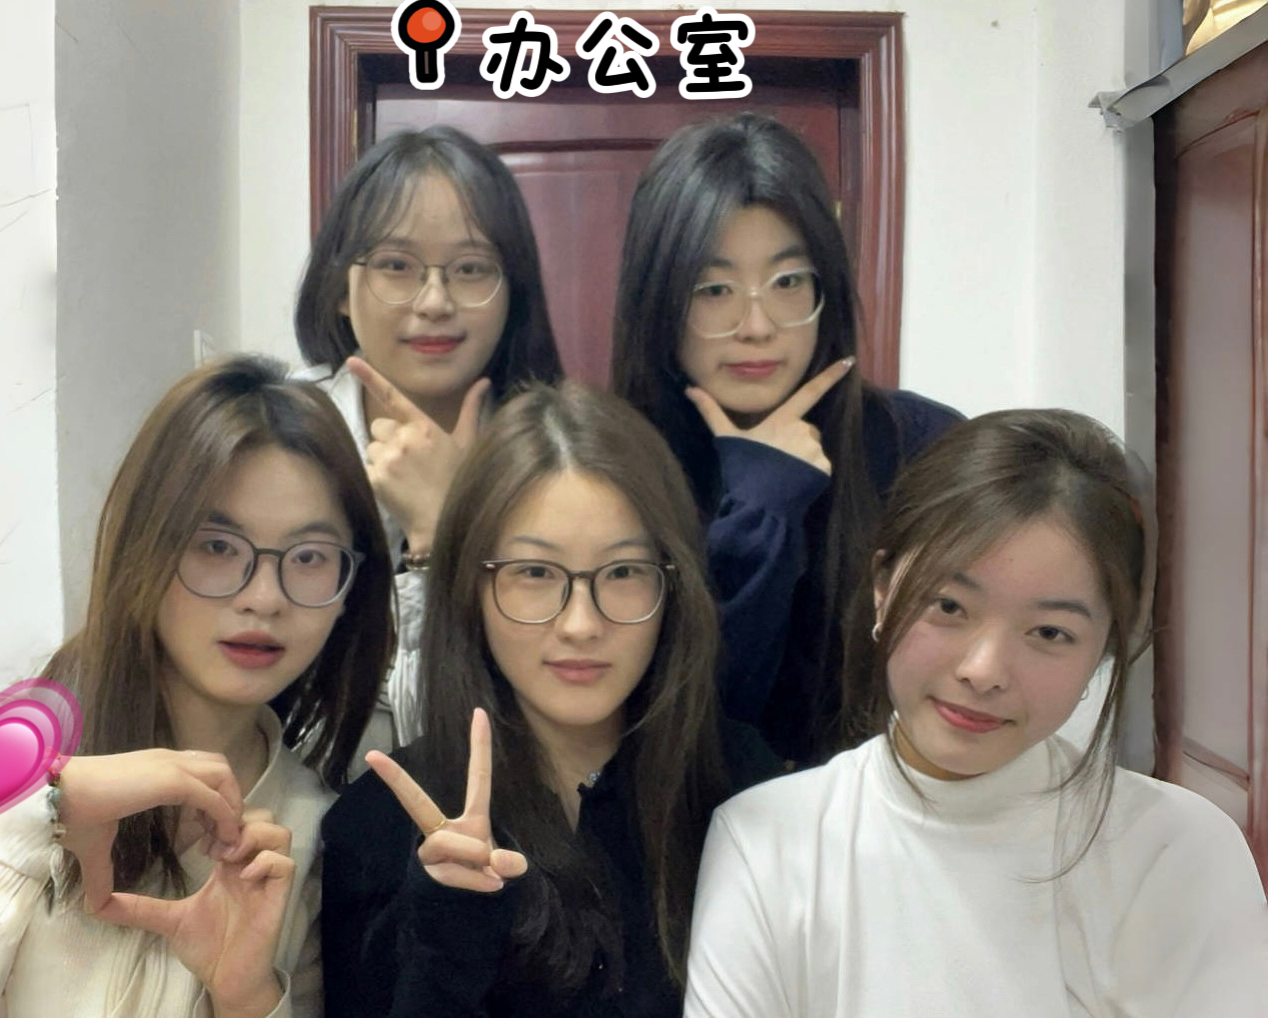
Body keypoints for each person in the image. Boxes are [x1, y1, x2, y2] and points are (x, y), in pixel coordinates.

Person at [683, 409, 1268, 1017]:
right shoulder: (767, 842)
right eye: (948, 606)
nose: (984, 670)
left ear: (1104, 649)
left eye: (1049, 632)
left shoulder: (1174, 851)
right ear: (883, 587)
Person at [0, 356, 394, 1017]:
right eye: (217, 546)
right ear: (147, 546)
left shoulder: (311, 833)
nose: (263, 597)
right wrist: (47, 797)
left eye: (309, 557)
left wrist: (247, 996)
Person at [319, 382, 778, 1017]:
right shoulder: (380, 824)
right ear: (470, 588)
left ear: (673, 587)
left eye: (623, 572)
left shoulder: (744, 790)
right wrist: (444, 946)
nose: (581, 624)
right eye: (535, 573)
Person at [613, 112, 961, 765]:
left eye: (788, 282)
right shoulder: (609, 468)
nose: (756, 325)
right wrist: (759, 513)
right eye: (713, 289)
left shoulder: (921, 446)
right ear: (658, 298)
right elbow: (683, 730)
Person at [295, 125, 563, 757]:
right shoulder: (280, 438)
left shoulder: (555, 459)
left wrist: (442, 535)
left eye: (471, 269)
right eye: (396, 265)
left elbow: (533, 715)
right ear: (340, 288)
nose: (435, 301)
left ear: (513, 290)